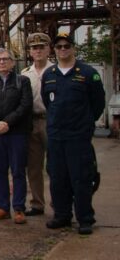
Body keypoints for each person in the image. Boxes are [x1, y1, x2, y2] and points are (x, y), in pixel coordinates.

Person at [42, 32, 105, 235]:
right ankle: (62, 215)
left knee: (81, 178)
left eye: (66, 46)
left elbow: (98, 105)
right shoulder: (49, 74)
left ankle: (85, 218)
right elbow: (47, 102)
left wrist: (85, 124)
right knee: (58, 178)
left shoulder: (87, 73)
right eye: (58, 47)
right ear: (54, 49)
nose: (62, 50)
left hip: (78, 137)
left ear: (73, 48)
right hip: (56, 136)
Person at [0, 48, 33, 224]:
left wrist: (7, 123)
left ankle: (18, 208)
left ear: (12, 62)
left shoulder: (22, 81)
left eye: (5, 59)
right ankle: (3, 207)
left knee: (18, 171)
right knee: (0, 172)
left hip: (17, 133)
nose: (2, 62)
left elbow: (25, 106)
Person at [21, 32, 52, 217]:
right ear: (30, 51)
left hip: (51, 121)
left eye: (41, 47)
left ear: (48, 49)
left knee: (55, 165)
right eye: (34, 48)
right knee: (33, 166)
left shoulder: (56, 70)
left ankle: (58, 203)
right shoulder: (25, 74)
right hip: (32, 122)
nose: (38, 50)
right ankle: (37, 203)